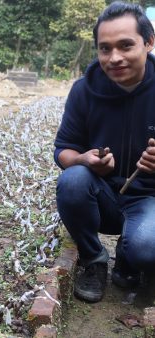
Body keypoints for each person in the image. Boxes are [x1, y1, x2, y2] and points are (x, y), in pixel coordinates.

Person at [54, 1, 155, 303]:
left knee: (147, 249)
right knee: (72, 180)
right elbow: (62, 150)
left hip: (147, 199)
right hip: (101, 198)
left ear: (149, 42)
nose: (114, 58)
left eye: (126, 46)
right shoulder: (84, 90)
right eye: (104, 49)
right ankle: (94, 259)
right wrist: (83, 159)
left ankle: (129, 256)